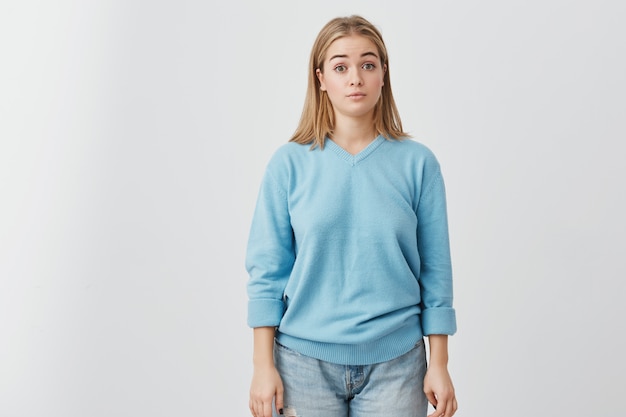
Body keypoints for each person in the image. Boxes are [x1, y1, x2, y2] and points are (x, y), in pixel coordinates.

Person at [245, 15, 458, 417]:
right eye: (341, 67)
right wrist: (262, 366)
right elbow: (267, 270)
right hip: (302, 366)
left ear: (383, 75)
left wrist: (440, 363)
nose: (355, 78)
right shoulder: (288, 165)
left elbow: (436, 270)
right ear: (321, 79)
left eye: (368, 64)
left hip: (398, 364)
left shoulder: (419, 164)